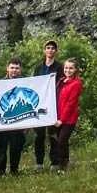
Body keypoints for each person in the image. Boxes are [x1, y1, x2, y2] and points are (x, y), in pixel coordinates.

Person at [33, 40, 64, 170]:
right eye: (48, 47)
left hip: (53, 106)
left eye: (53, 48)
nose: (50, 50)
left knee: (53, 135)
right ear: (44, 50)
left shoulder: (60, 67)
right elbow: (34, 85)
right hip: (39, 105)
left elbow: (63, 85)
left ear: (56, 51)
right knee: (39, 135)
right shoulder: (38, 68)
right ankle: (39, 162)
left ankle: (55, 162)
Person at [0, 58, 27, 177]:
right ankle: (0, 172)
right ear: (7, 68)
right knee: (1, 148)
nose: (14, 70)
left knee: (16, 148)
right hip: (3, 122)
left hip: (19, 121)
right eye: (12, 67)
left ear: (20, 69)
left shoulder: (26, 83)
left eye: (17, 68)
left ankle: (14, 170)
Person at [52, 58, 84, 173]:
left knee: (61, 141)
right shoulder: (61, 81)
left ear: (75, 70)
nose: (68, 70)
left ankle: (62, 166)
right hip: (58, 116)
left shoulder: (76, 84)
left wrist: (62, 119)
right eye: (66, 68)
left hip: (68, 119)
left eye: (71, 68)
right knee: (61, 142)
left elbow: (71, 104)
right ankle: (65, 163)